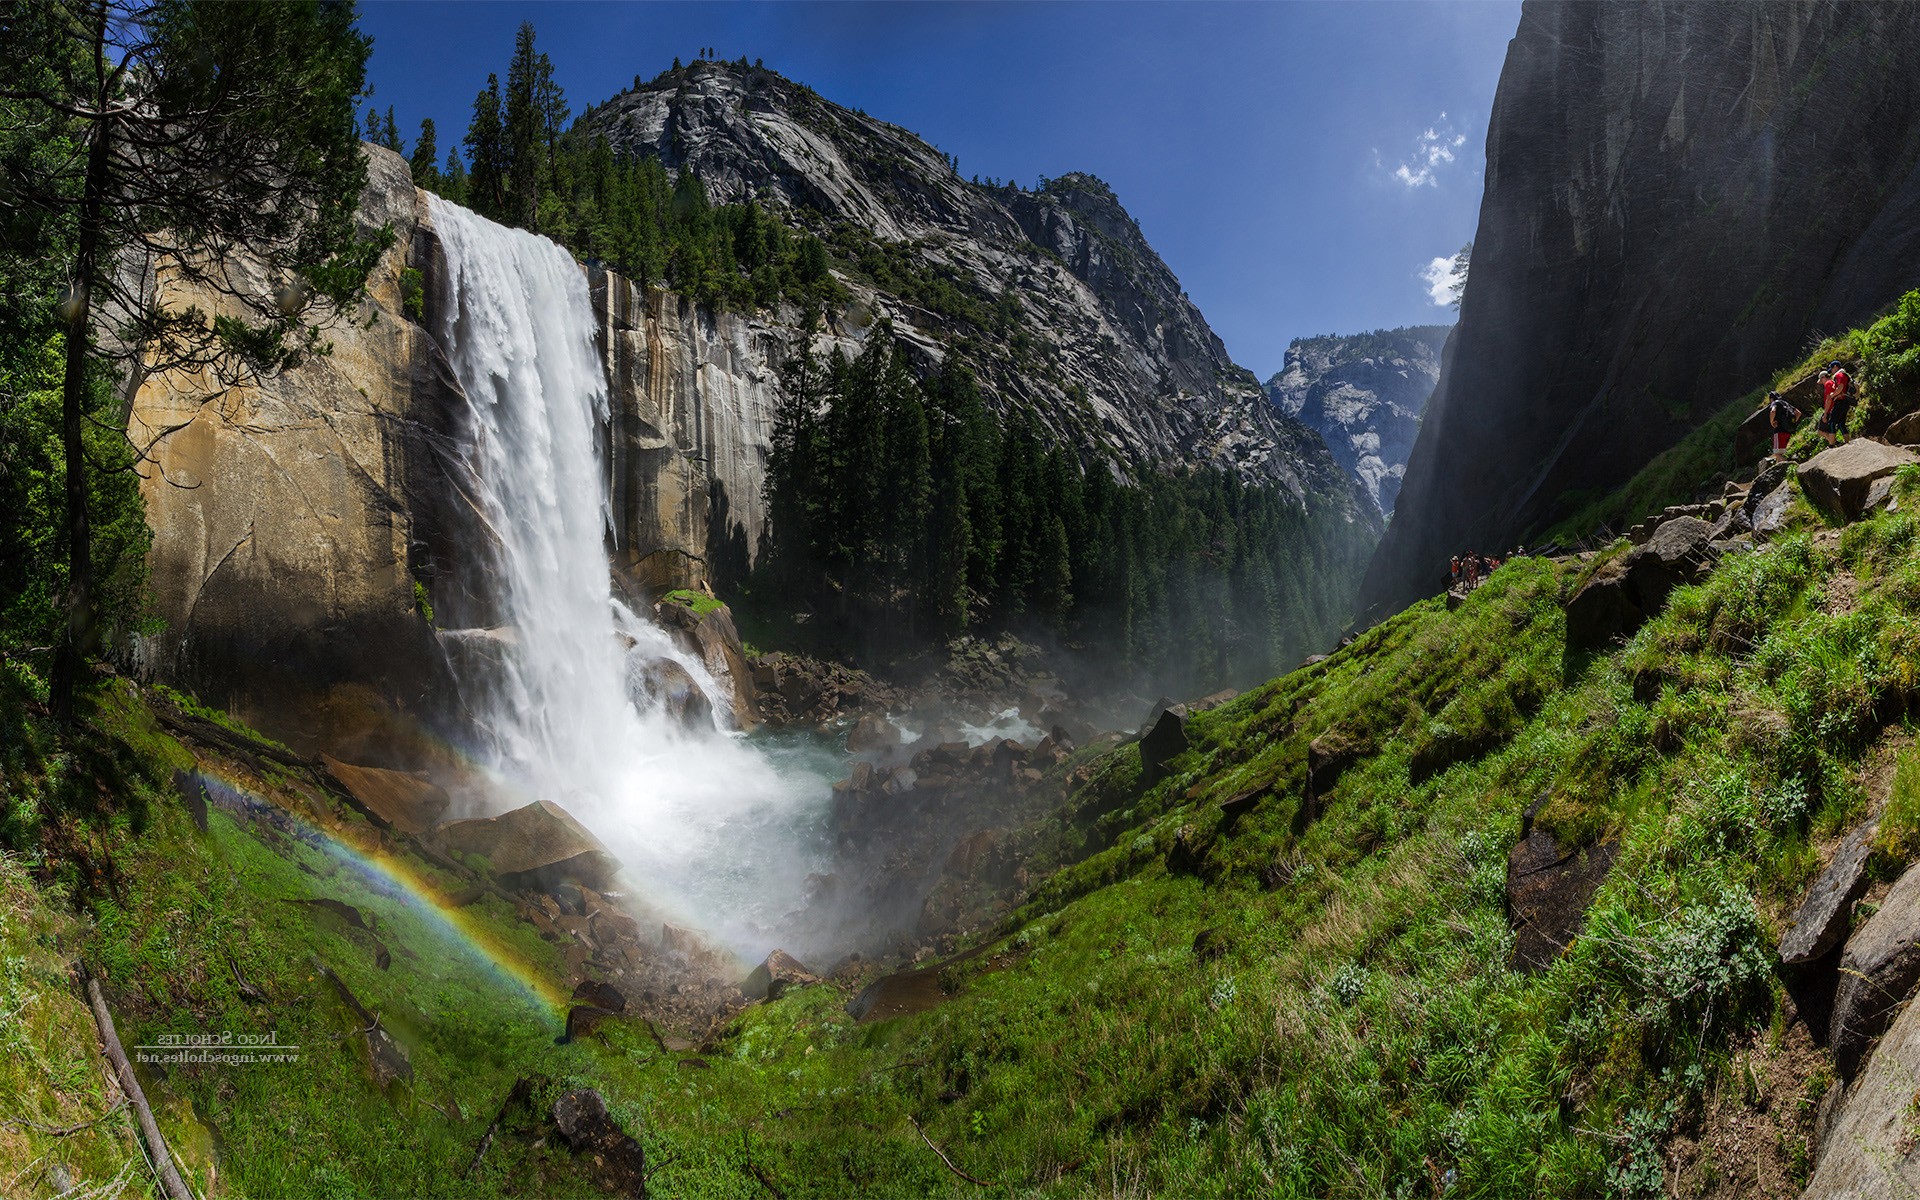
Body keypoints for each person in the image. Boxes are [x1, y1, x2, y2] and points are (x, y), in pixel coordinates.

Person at [1767, 389, 1802, 464]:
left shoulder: (1774, 403)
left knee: (1777, 453)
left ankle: (1790, 465)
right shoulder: (1785, 403)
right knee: (1781, 453)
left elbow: (1773, 411)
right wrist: (1791, 422)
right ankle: (1783, 468)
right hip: (1788, 431)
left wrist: (1771, 422)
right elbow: (1798, 413)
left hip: (1779, 431)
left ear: (1771, 399)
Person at [1829, 359, 1853, 443]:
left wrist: (1832, 395)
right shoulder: (1845, 375)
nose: (1831, 371)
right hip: (1845, 401)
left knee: (1832, 422)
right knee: (1841, 423)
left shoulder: (1839, 375)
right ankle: (1847, 441)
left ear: (1835, 367)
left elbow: (1840, 387)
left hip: (1841, 402)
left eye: (1831, 368)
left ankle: (1831, 444)